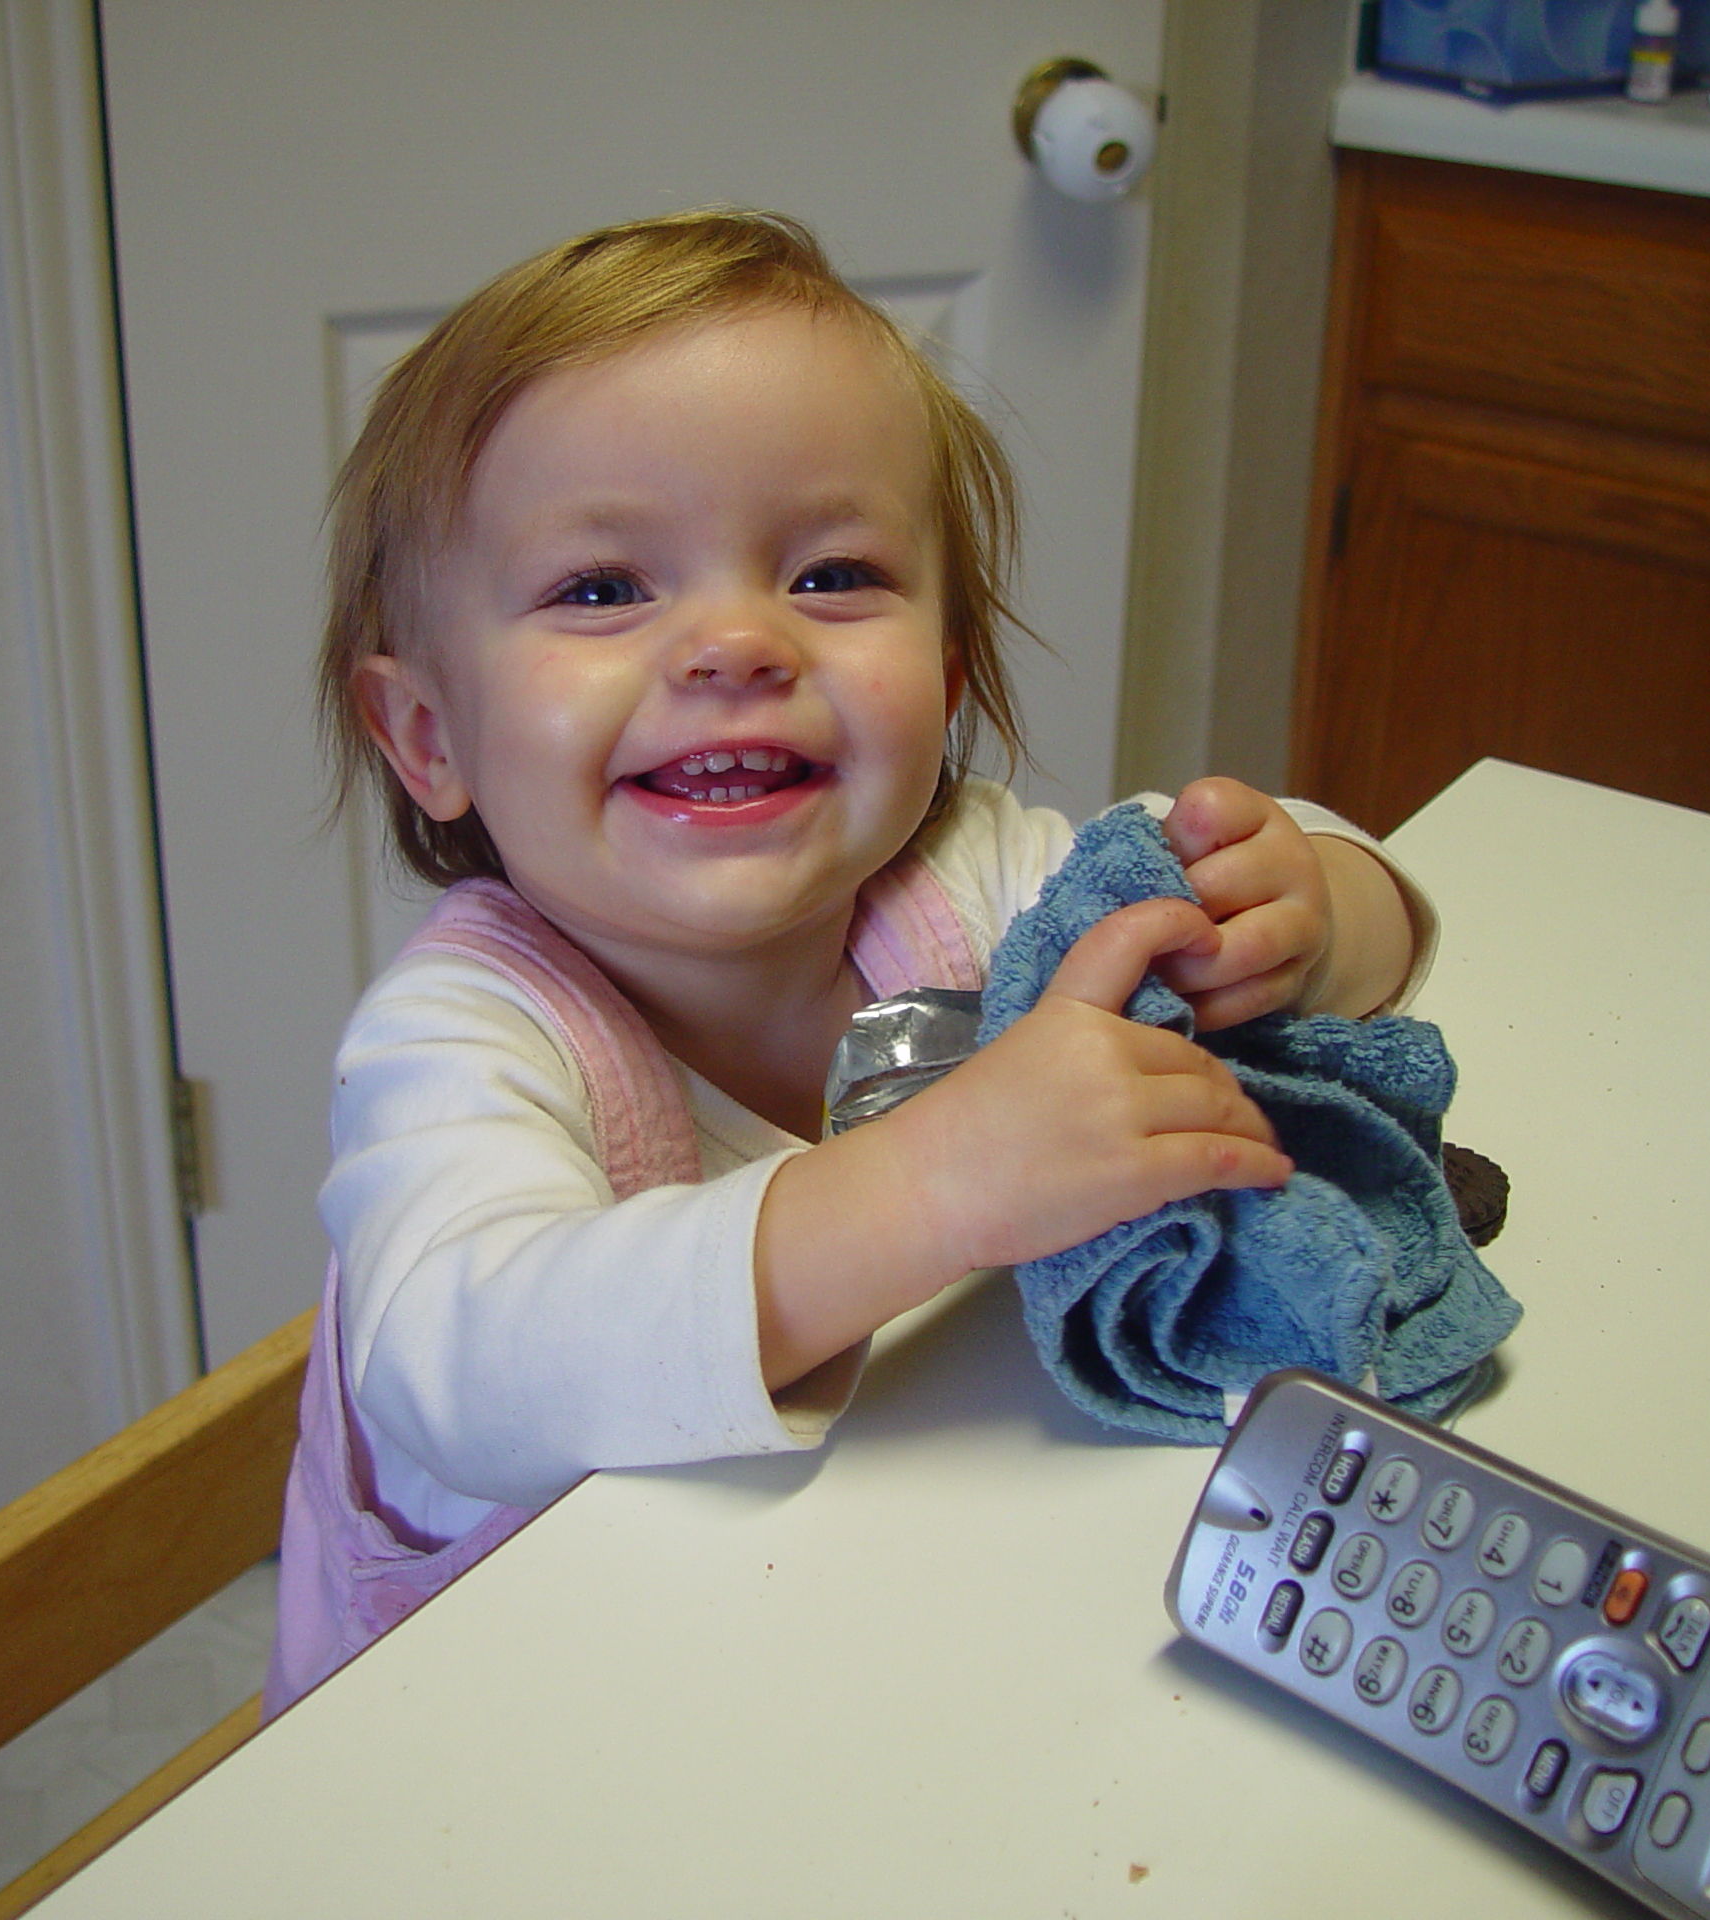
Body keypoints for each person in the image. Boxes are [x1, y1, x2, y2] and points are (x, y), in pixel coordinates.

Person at [265, 209, 1433, 1711]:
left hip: (847, 1661)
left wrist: (1318, 914)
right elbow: (462, 1369)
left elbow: (1338, 902)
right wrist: (933, 1186)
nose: (738, 641)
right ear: (430, 735)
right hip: (504, 1743)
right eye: (604, 588)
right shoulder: (462, 1038)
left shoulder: (981, 884)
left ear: (945, 677)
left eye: (830, 575)